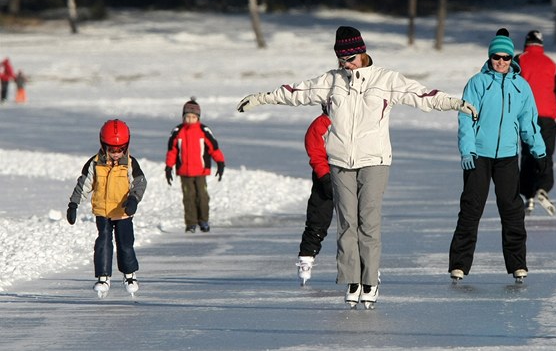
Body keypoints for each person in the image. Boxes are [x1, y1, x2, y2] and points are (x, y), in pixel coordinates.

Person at [237, 26, 477, 308]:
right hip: (340, 161)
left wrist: (455, 103)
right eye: (341, 60)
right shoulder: (331, 81)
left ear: (362, 53)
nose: (346, 64)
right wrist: (261, 98)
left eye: (350, 58)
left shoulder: (386, 79)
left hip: (374, 160)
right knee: (347, 223)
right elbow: (295, 92)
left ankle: (370, 280)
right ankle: (352, 278)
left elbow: (422, 95)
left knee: (369, 222)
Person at [449, 28, 547, 284]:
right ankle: (459, 265)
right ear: (490, 57)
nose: (501, 62)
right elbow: (466, 118)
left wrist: (538, 148)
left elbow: (529, 121)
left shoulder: (521, 86)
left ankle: (518, 265)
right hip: (478, 155)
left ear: (511, 58)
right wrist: (467, 148)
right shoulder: (477, 83)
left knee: (512, 209)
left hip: (506, 157)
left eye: (505, 57)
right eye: (496, 58)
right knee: (471, 207)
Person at [66, 119, 147, 297]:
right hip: (102, 212)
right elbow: (84, 184)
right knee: (103, 242)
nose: (116, 153)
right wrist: (74, 204)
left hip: (123, 212)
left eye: (120, 149)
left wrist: (133, 200)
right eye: (112, 149)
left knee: (125, 244)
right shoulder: (95, 163)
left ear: (126, 146)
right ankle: (103, 277)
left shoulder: (130, 164)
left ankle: (130, 275)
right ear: (103, 145)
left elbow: (140, 183)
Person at [515, 30, 556, 216]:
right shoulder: (552, 64)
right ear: (541, 44)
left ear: (527, 42)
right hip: (548, 117)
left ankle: (529, 195)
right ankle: (543, 187)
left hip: (527, 115)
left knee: (527, 153)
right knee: (545, 153)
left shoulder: (520, 60)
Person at [165, 97, 225, 233]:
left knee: (202, 196)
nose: (190, 120)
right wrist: (168, 167)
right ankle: (191, 223)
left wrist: (220, 163)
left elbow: (213, 148)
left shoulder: (204, 131)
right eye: (187, 117)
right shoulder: (177, 131)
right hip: (184, 171)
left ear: (198, 117)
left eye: (193, 117)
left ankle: (203, 220)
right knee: (189, 197)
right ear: (183, 117)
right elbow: (172, 151)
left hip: (201, 170)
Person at [296, 105, 334, 286]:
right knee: (318, 218)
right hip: (325, 176)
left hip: (351, 175)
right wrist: (325, 177)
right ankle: (306, 258)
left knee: (357, 221)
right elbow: (315, 152)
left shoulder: (355, 120)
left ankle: (364, 265)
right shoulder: (321, 124)